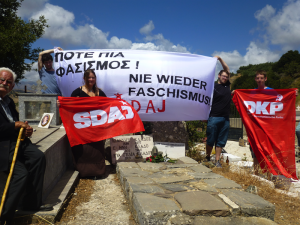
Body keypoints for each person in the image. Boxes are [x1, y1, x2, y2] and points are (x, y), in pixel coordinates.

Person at [0, 68, 51, 225]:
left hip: (15, 142)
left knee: (38, 157)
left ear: (13, 85)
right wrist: (15, 125)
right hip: (2, 145)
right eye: (2, 80)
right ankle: (4, 216)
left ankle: (31, 204)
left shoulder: (8, 102)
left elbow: (15, 125)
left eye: (9, 82)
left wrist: (25, 130)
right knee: (20, 174)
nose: (5, 83)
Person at [66, 69, 107, 179]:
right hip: (82, 127)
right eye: (89, 77)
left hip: (96, 127)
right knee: (84, 150)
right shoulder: (77, 92)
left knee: (96, 150)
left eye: (93, 77)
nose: (91, 79)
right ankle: (83, 172)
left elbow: (107, 107)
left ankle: (97, 172)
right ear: (84, 78)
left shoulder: (100, 92)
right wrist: (61, 104)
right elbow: (70, 106)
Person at [205, 56, 231, 168]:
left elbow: (227, 69)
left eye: (226, 76)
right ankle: (207, 158)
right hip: (214, 117)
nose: (225, 78)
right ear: (219, 76)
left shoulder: (227, 86)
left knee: (220, 141)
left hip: (225, 118)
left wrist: (220, 59)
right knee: (210, 139)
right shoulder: (212, 87)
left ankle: (217, 161)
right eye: (223, 76)